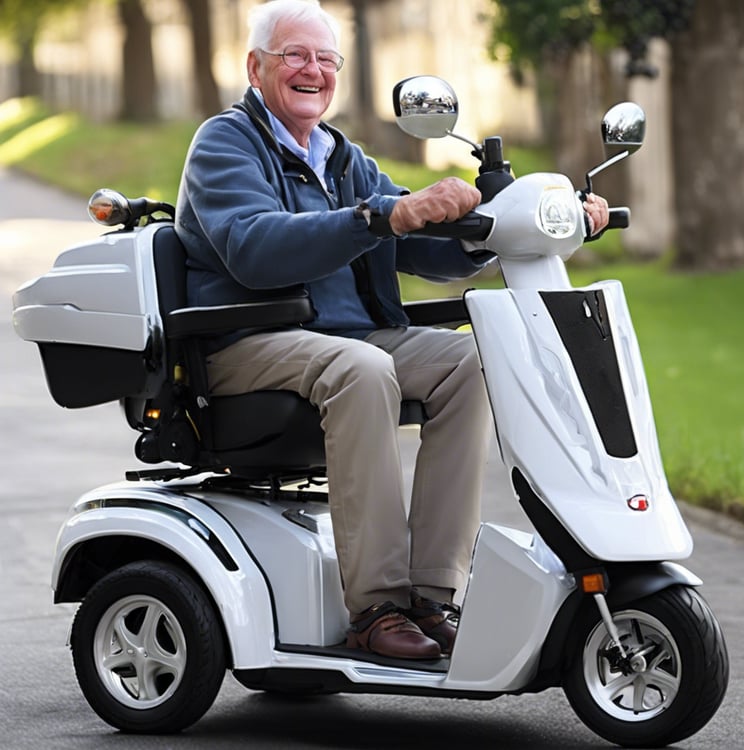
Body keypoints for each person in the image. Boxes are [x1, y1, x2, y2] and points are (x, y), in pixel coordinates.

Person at [176, 0, 609, 660]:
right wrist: (378, 217)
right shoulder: (225, 144)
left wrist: (510, 225)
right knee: (363, 368)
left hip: (345, 341)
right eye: (295, 56)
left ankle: (433, 595)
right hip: (245, 340)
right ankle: (376, 608)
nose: (313, 70)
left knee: (473, 361)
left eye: (326, 59)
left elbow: (422, 245)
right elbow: (254, 248)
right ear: (256, 68)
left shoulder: (343, 158)